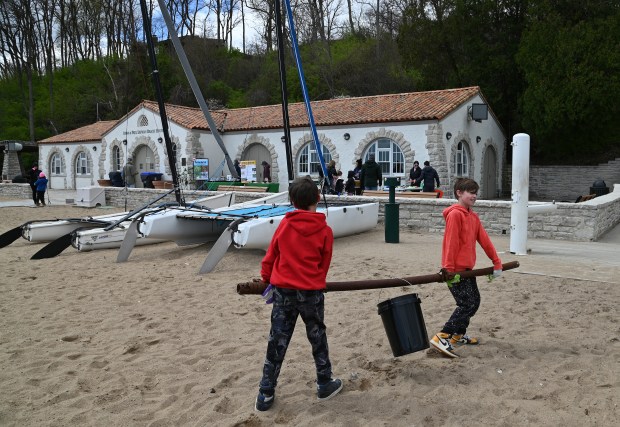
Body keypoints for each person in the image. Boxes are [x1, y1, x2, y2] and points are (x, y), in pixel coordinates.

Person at [255, 176, 343, 411]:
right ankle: (324, 382)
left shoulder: (285, 224)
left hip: (283, 291)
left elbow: (271, 255)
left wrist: (266, 280)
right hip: (311, 292)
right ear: (317, 198)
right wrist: (316, 280)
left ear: (292, 201)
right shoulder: (325, 230)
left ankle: (266, 392)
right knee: (317, 336)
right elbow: (324, 263)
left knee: (278, 340)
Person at [430, 178, 503, 358]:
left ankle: (458, 335)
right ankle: (443, 336)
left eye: (475, 192)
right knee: (467, 304)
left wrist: (496, 261)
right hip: (454, 271)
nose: (474, 196)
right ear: (459, 193)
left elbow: (484, 240)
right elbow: (451, 242)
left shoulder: (473, 216)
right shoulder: (455, 215)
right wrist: (448, 269)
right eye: (470, 192)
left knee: (474, 302)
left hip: (468, 269)